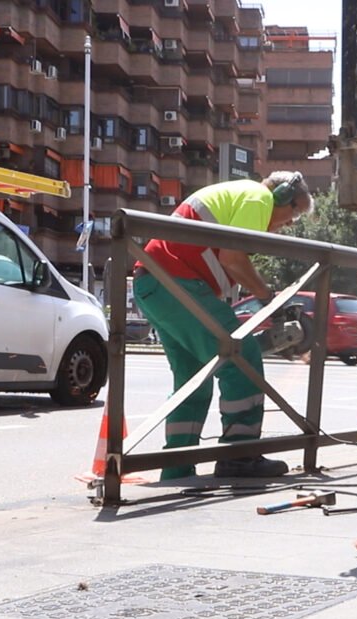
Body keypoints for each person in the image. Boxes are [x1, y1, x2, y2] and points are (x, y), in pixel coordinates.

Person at [133, 171, 314, 479]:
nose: (288, 225)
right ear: (282, 195)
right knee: (241, 359)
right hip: (175, 282)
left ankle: (177, 467)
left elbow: (225, 264)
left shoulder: (238, 199)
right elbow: (233, 259)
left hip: (155, 284)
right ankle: (239, 455)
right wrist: (271, 298)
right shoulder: (259, 197)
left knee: (194, 378)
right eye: (293, 214)